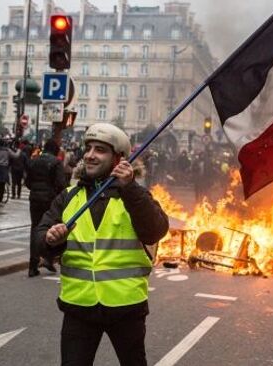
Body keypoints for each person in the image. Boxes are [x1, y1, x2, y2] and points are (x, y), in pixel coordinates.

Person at [36, 123, 169, 365]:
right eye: (88, 148)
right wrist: (50, 239)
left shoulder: (135, 195)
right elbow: (40, 237)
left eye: (100, 150)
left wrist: (130, 189)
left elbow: (155, 230)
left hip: (126, 307)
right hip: (79, 306)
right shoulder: (70, 196)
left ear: (118, 158)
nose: (90, 155)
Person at [25, 139, 67, 277]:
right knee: (50, 229)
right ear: (55, 150)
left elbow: (28, 182)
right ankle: (48, 259)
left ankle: (33, 265)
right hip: (50, 199)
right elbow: (61, 184)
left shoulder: (34, 161)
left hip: (35, 199)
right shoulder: (56, 162)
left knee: (35, 229)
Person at [0, 139, 20, 207]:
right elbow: (15, 156)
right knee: (2, 186)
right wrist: (19, 151)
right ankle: (0, 201)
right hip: (3, 169)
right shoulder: (7, 150)